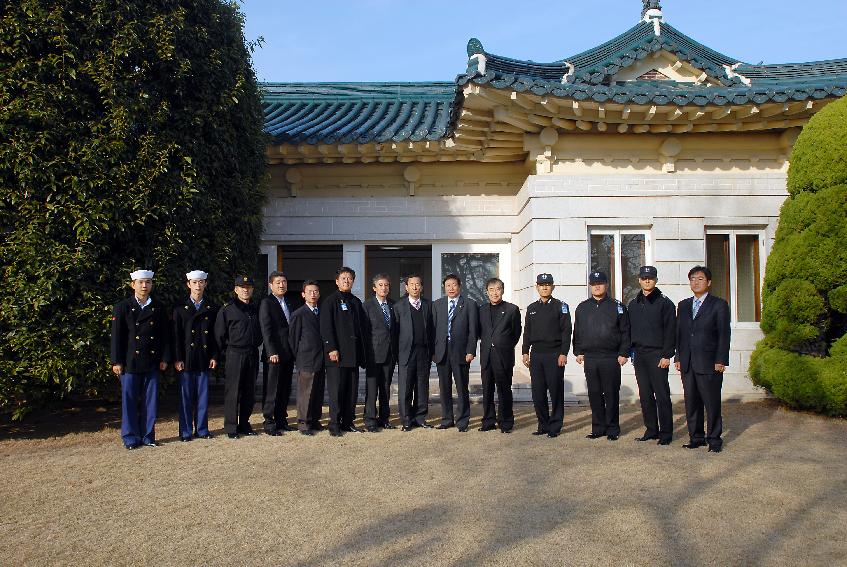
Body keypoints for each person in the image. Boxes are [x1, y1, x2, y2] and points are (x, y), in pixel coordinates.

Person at [111, 269, 171, 449]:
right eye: (141, 282)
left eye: (148, 282)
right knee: (129, 402)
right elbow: (117, 337)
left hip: (151, 361)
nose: (144, 286)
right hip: (130, 362)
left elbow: (164, 336)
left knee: (150, 402)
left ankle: (148, 436)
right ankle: (130, 437)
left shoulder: (158, 307)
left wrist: (165, 358)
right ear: (133, 285)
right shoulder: (122, 307)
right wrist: (116, 361)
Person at [675, 265, 731, 453]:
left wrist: (721, 359)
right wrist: (678, 357)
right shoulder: (683, 305)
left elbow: (724, 334)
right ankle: (696, 437)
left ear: (708, 282)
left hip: (710, 362)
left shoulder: (719, 305)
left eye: (700, 279)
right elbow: (680, 334)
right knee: (692, 402)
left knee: (711, 402)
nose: (696, 282)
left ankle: (714, 439)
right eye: (692, 279)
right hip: (688, 362)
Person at [573, 271, 631, 442]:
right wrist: (578, 351)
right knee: (595, 393)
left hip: (611, 357)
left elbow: (626, 331)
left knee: (611, 394)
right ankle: (598, 428)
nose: (597, 286)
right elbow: (578, 331)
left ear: (606, 285)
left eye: (600, 283)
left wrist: (623, 353)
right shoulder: (582, 307)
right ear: (590, 286)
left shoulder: (617, 306)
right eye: (594, 283)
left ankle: (613, 428)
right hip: (590, 357)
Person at [627, 266, 676, 446]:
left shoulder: (665, 303)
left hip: (658, 355)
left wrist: (667, 355)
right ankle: (651, 429)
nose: (647, 281)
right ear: (639, 280)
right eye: (644, 278)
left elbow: (671, 331)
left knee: (662, 395)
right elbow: (629, 330)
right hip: (639, 355)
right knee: (645, 394)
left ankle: (666, 433)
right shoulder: (633, 304)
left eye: (650, 278)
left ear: (656, 280)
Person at [521, 274, 572, 438]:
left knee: (556, 391)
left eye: (548, 284)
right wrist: (524, 352)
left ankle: (555, 426)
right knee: (538, 392)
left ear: (553, 287)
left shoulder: (561, 306)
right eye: (541, 285)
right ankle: (543, 424)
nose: (544, 287)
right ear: (537, 287)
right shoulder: (531, 308)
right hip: (536, 355)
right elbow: (527, 332)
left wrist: (564, 353)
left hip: (554, 354)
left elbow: (566, 332)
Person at [320, 267, 368, 437]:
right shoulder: (330, 301)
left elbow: (362, 328)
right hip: (337, 356)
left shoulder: (355, 301)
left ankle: (348, 422)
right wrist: (331, 348)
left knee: (351, 391)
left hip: (353, 356)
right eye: (343, 278)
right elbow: (326, 327)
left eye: (349, 278)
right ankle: (334, 424)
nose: (346, 281)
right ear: (337, 281)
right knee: (337, 392)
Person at [172, 269, 218, 442]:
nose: (198, 286)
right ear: (188, 285)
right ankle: (185, 431)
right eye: (194, 283)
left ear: (205, 284)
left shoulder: (212, 308)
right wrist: (177, 358)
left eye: (201, 282)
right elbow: (175, 336)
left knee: (203, 397)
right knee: (185, 398)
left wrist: (214, 355)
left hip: (204, 357)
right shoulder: (180, 308)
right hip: (186, 358)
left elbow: (215, 335)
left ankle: (202, 429)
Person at [214, 275, 262, 439]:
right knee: (233, 391)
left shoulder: (255, 309)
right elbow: (219, 335)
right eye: (242, 287)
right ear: (236, 289)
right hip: (235, 353)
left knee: (249, 392)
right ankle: (231, 427)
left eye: (248, 287)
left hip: (252, 353)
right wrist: (218, 356)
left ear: (252, 289)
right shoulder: (228, 309)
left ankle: (244, 424)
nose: (245, 290)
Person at [432, 274, 479, 432]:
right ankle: (447, 419)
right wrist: (433, 351)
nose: (451, 288)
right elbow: (432, 330)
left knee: (461, 388)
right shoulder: (437, 304)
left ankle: (462, 421)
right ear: (444, 287)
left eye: (454, 285)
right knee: (444, 387)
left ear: (459, 286)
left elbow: (473, 330)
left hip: (461, 352)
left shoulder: (470, 304)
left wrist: (471, 350)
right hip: (442, 352)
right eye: (448, 285)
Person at [478, 277, 522, 433]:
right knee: (487, 390)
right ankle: (488, 421)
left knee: (504, 390)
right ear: (487, 292)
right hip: (487, 357)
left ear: (502, 290)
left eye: (498, 289)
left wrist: (505, 345)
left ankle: (506, 422)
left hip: (503, 356)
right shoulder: (481, 310)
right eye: (491, 289)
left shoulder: (512, 309)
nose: (495, 293)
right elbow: (479, 332)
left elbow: (516, 333)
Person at [393, 274, 434, 431]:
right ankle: (406, 419)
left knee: (422, 386)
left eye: (418, 284)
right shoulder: (399, 306)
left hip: (424, 352)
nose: (415, 287)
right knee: (405, 387)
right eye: (412, 284)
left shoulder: (428, 305)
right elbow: (394, 333)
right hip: (406, 353)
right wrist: (396, 354)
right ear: (406, 287)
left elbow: (433, 329)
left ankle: (420, 417)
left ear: (421, 287)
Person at [259, 271, 295, 435]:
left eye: (284, 282)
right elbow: (266, 329)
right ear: (271, 285)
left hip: (288, 353)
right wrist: (271, 351)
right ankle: (269, 422)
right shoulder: (267, 302)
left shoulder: (288, 301)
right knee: (272, 389)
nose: (282, 285)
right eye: (278, 282)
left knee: (284, 388)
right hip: (274, 354)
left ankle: (281, 419)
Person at [288, 280, 326, 436]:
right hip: (306, 359)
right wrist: (299, 357)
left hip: (320, 358)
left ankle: (315, 420)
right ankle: (303, 422)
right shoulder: (298, 314)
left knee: (317, 391)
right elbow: (293, 339)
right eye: (310, 291)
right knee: (305, 393)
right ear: (303, 294)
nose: (313, 294)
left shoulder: (322, 311)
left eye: (316, 291)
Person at [362, 273, 399, 432]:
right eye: (381, 285)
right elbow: (364, 332)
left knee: (385, 388)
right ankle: (370, 420)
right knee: (372, 389)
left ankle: (384, 418)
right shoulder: (367, 305)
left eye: (387, 285)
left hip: (389, 355)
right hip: (373, 354)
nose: (384, 288)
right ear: (374, 288)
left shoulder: (393, 305)